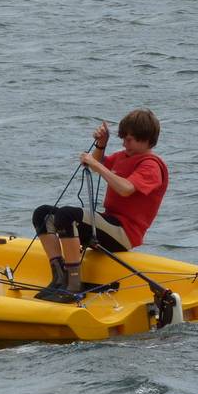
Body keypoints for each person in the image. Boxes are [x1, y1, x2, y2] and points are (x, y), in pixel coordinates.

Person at [32, 108, 168, 298]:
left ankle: (73, 285)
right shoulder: (123, 156)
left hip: (124, 233)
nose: (124, 143)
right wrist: (101, 145)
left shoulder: (151, 165)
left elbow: (125, 188)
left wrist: (97, 165)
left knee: (66, 215)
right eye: (123, 138)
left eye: (129, 139)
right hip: (109, 222)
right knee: (42, 214)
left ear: (145, 139)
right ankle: (59, 277)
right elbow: (95, 163)